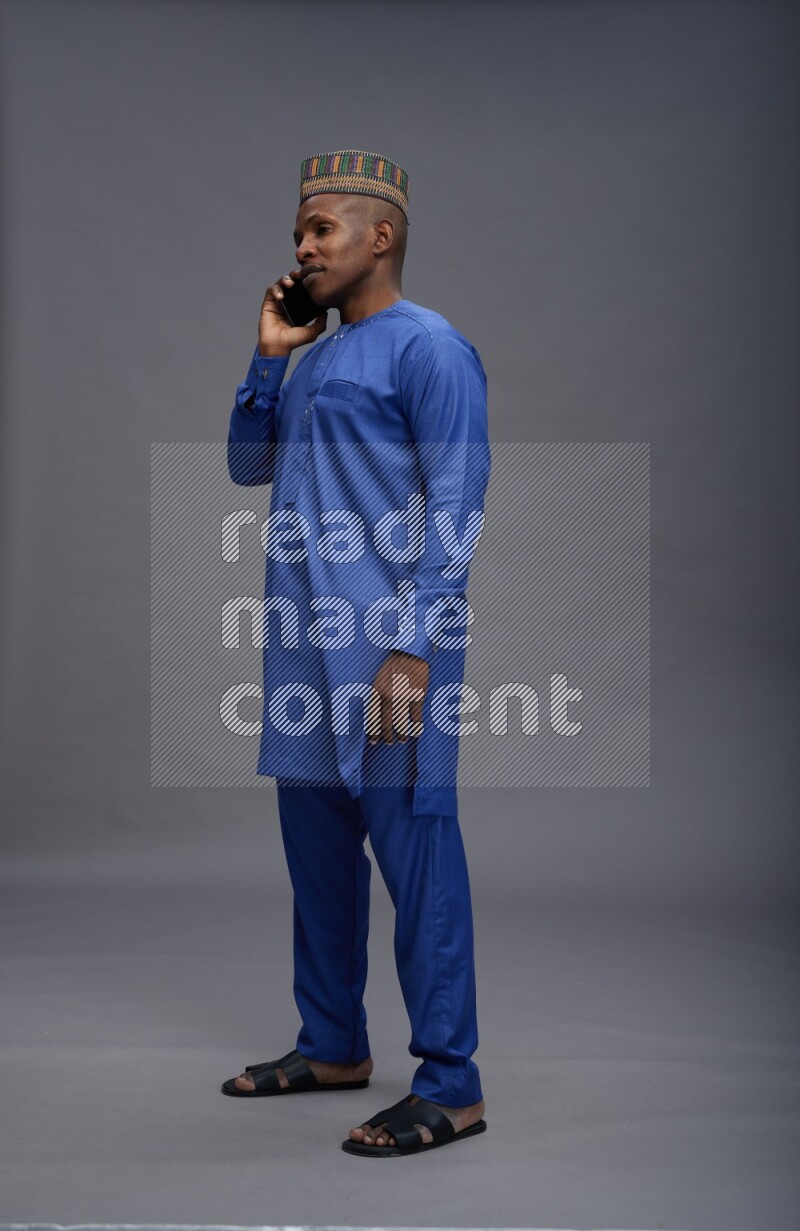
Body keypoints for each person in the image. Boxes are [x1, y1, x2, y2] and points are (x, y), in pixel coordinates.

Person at [221, 150, 491, 1157]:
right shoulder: (313, 353)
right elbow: (249, 465)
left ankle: (451, 1081)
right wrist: (267, 357)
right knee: (318, 856)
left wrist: (414, 649)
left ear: (380, 235)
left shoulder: (431, 349)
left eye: (320, 227)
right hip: (300, 650)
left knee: (414, 855)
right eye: (297, 229)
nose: (300, 245)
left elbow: (459, 507)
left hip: (386, 648)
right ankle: (332, 1042)